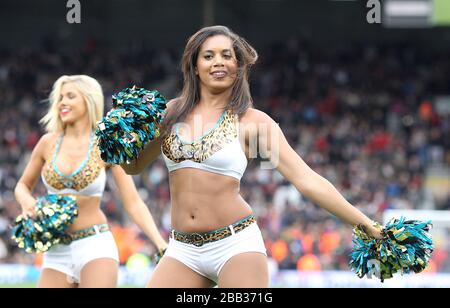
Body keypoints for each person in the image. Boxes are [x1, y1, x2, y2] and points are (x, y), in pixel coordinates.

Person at [121, 25, 382, 288]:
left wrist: (366, 225)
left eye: (227, 55)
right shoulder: (170, 113)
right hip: (183, 250)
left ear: (238, 65)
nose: (218, 62)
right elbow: (133, 166)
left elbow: (307, 180)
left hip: (235, 246)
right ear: (194, 65)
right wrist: (119, 138)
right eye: (208, 56)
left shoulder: (254, 122)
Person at [14, 75, 168, 288]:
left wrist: (160, 244)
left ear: (88, 100)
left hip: (95, 246)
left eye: (70, 96)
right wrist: (27, 202)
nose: (62, 102)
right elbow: (22, 186)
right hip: (56, 250)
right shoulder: (47, 143)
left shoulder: (106, 144)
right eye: (60, 97)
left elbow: (133, 202)